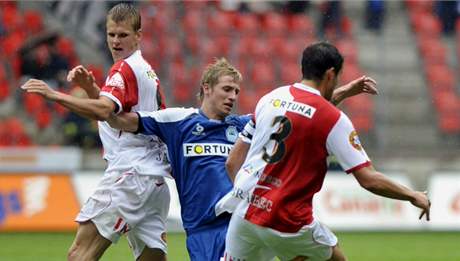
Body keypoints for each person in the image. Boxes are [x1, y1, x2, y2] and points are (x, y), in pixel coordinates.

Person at [107, 56, 379, 261]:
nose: (233, 96)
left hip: (244, 222)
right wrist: (100, 99)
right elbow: (121, 119)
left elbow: (299, 115)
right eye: (227, 89)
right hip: (203, 230)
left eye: (236, 91)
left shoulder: (242, 126)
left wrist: (343, 92)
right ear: (207, 88)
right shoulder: (178, 122)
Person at [222, 42, 431, 261]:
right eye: (338, 77)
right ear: (330, 74)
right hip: (286, 221)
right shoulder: (334, 120)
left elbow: (232, 162)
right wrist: (412, 195)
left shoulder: (270, 98)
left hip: (244, 213)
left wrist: (251, 196)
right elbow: (369, 179)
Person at [21, 3, 170, 261]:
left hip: (129, 176)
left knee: (79, 254)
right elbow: (119, 119)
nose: (115, 41)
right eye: (111, 34)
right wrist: (92, 89)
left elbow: (103, 111)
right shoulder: (146, 71)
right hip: (152, 181)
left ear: (138, 36)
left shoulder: (124, 69)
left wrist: (53, 95)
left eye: (123, 35)